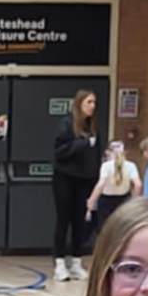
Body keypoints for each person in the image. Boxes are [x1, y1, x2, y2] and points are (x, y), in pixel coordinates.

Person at [50, 90, 101, 283]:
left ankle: (76, 262)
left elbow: (96, 154)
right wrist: (82, 144)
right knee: (64, 219)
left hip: (85, 180)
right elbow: (59, 152)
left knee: (80, 221)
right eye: (89, 102)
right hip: (65, 178)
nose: (92, 106)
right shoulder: (66, 124)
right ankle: (59, 263)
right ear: (79, 103)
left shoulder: (93, 127)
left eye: (94, 102)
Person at [85, 140, 141, 238]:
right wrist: (133, 200)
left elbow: (100, 184)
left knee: (105, 231)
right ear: (125, 152)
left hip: (106, 201)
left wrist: (91, 200)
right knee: (122, 230)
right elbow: (138, 185)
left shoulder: (106, 166)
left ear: (108, 152)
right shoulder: (131, 165)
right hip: (123, 200)